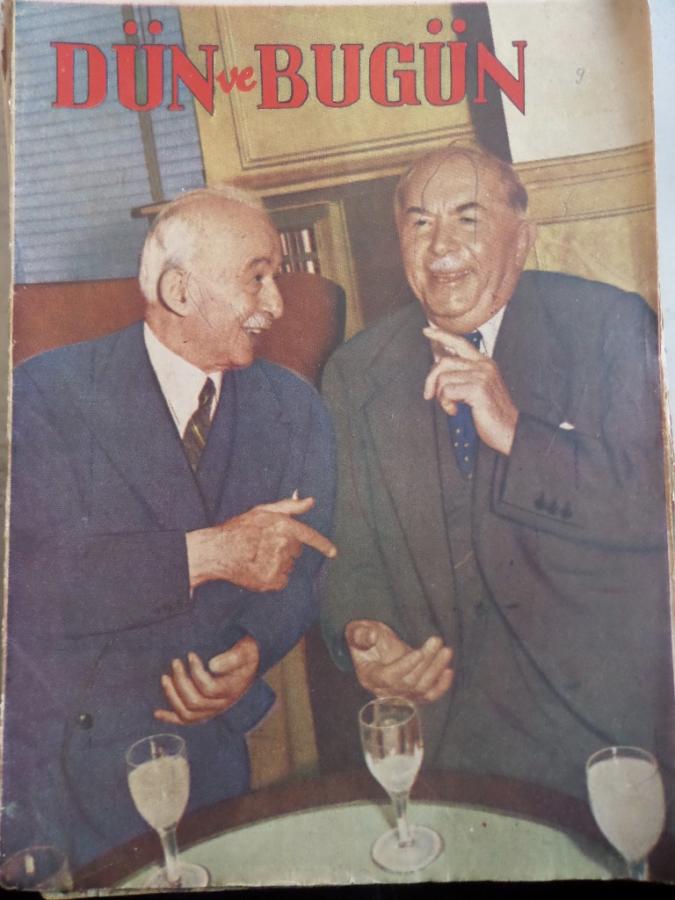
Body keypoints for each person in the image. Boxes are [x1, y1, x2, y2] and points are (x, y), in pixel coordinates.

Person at [321, 145, 672, 801]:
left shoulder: (608, 326)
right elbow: (348, 546)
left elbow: (656, 510)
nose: (440, 247)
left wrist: (515, 431)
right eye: (419, 222)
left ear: (522, 238)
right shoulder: (355, 372)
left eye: (468, 218)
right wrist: (363, 631)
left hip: (597, 728)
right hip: (444, 735)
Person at [3, 187, 336, 867]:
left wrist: (254, 648)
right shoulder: (44, 394)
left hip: (214, 757)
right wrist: (205, 554)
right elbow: (28, 586)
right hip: (69, 777)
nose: (276, 305)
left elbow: (307, 565)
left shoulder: (294, 408)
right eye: (257, 278)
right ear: (179, 291)